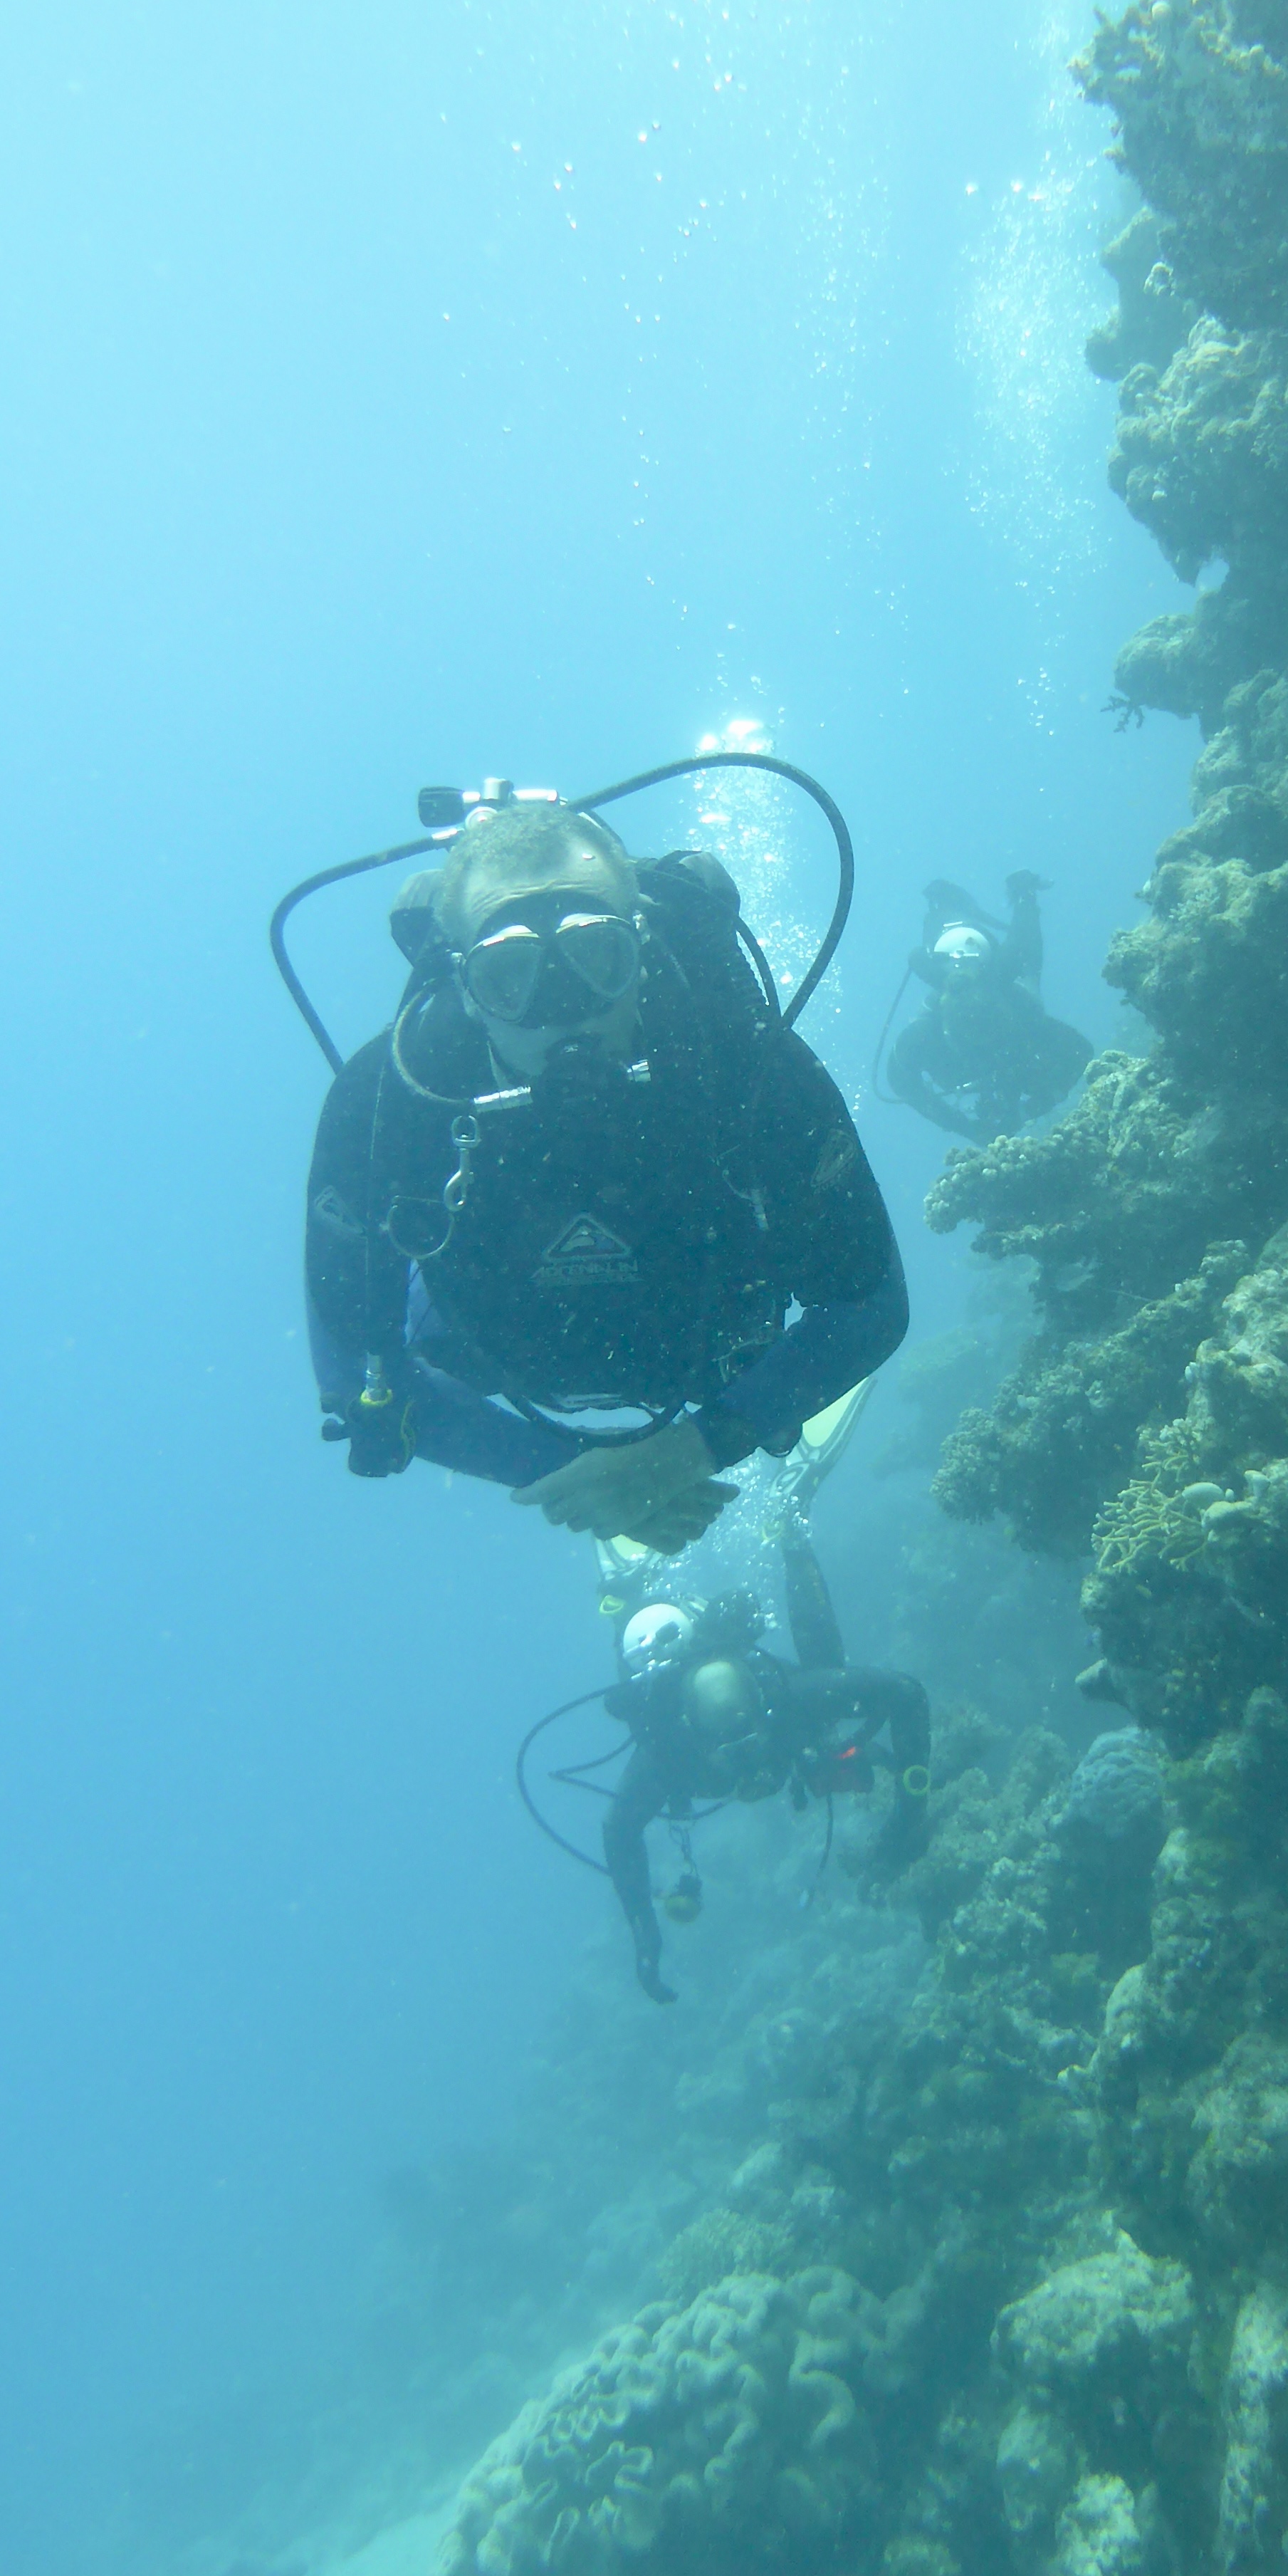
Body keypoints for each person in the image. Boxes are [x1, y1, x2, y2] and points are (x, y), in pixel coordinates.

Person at [303, 797, 906, 1555]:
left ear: (642, 951)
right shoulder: (387, 1097)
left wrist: (693, 1450)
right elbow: (356, 1370)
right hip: (492, 1345)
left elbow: (870, 1302)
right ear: (465, 988)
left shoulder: (746, 1062)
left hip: (713, 1351)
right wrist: (595, 1477)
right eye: (510, 974)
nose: (562, 1010)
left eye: (597, 957)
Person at [595, 1417, 931, 2002]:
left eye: (745, 1738)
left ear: (760, 1709)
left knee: (825, 1672)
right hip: (676, 1679)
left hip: (781, 1701)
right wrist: (645, 1938)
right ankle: (630, 1594)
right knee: (648, 1669)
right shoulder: (666, 1749)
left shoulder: (786, 1700)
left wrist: (910, 1810)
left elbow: (906, 1693)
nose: (746, 1761)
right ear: (692, 1732)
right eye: (731, 1746)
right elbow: (618, 1832)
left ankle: (789, 1525)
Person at [882, 870, 1090, 1144]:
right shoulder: (923, 1035)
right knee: (1024, 966)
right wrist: (964, 1127)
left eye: (989, 1032)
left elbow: (1080, 1053)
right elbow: (900, 1081)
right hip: (985, 991)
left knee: (1027, 966)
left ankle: (1024, 896)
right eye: (974, 1035)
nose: (982, 1045)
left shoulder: (1022, 1009)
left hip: (1001, 987)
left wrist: (1029, 1110)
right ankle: (972, 903)